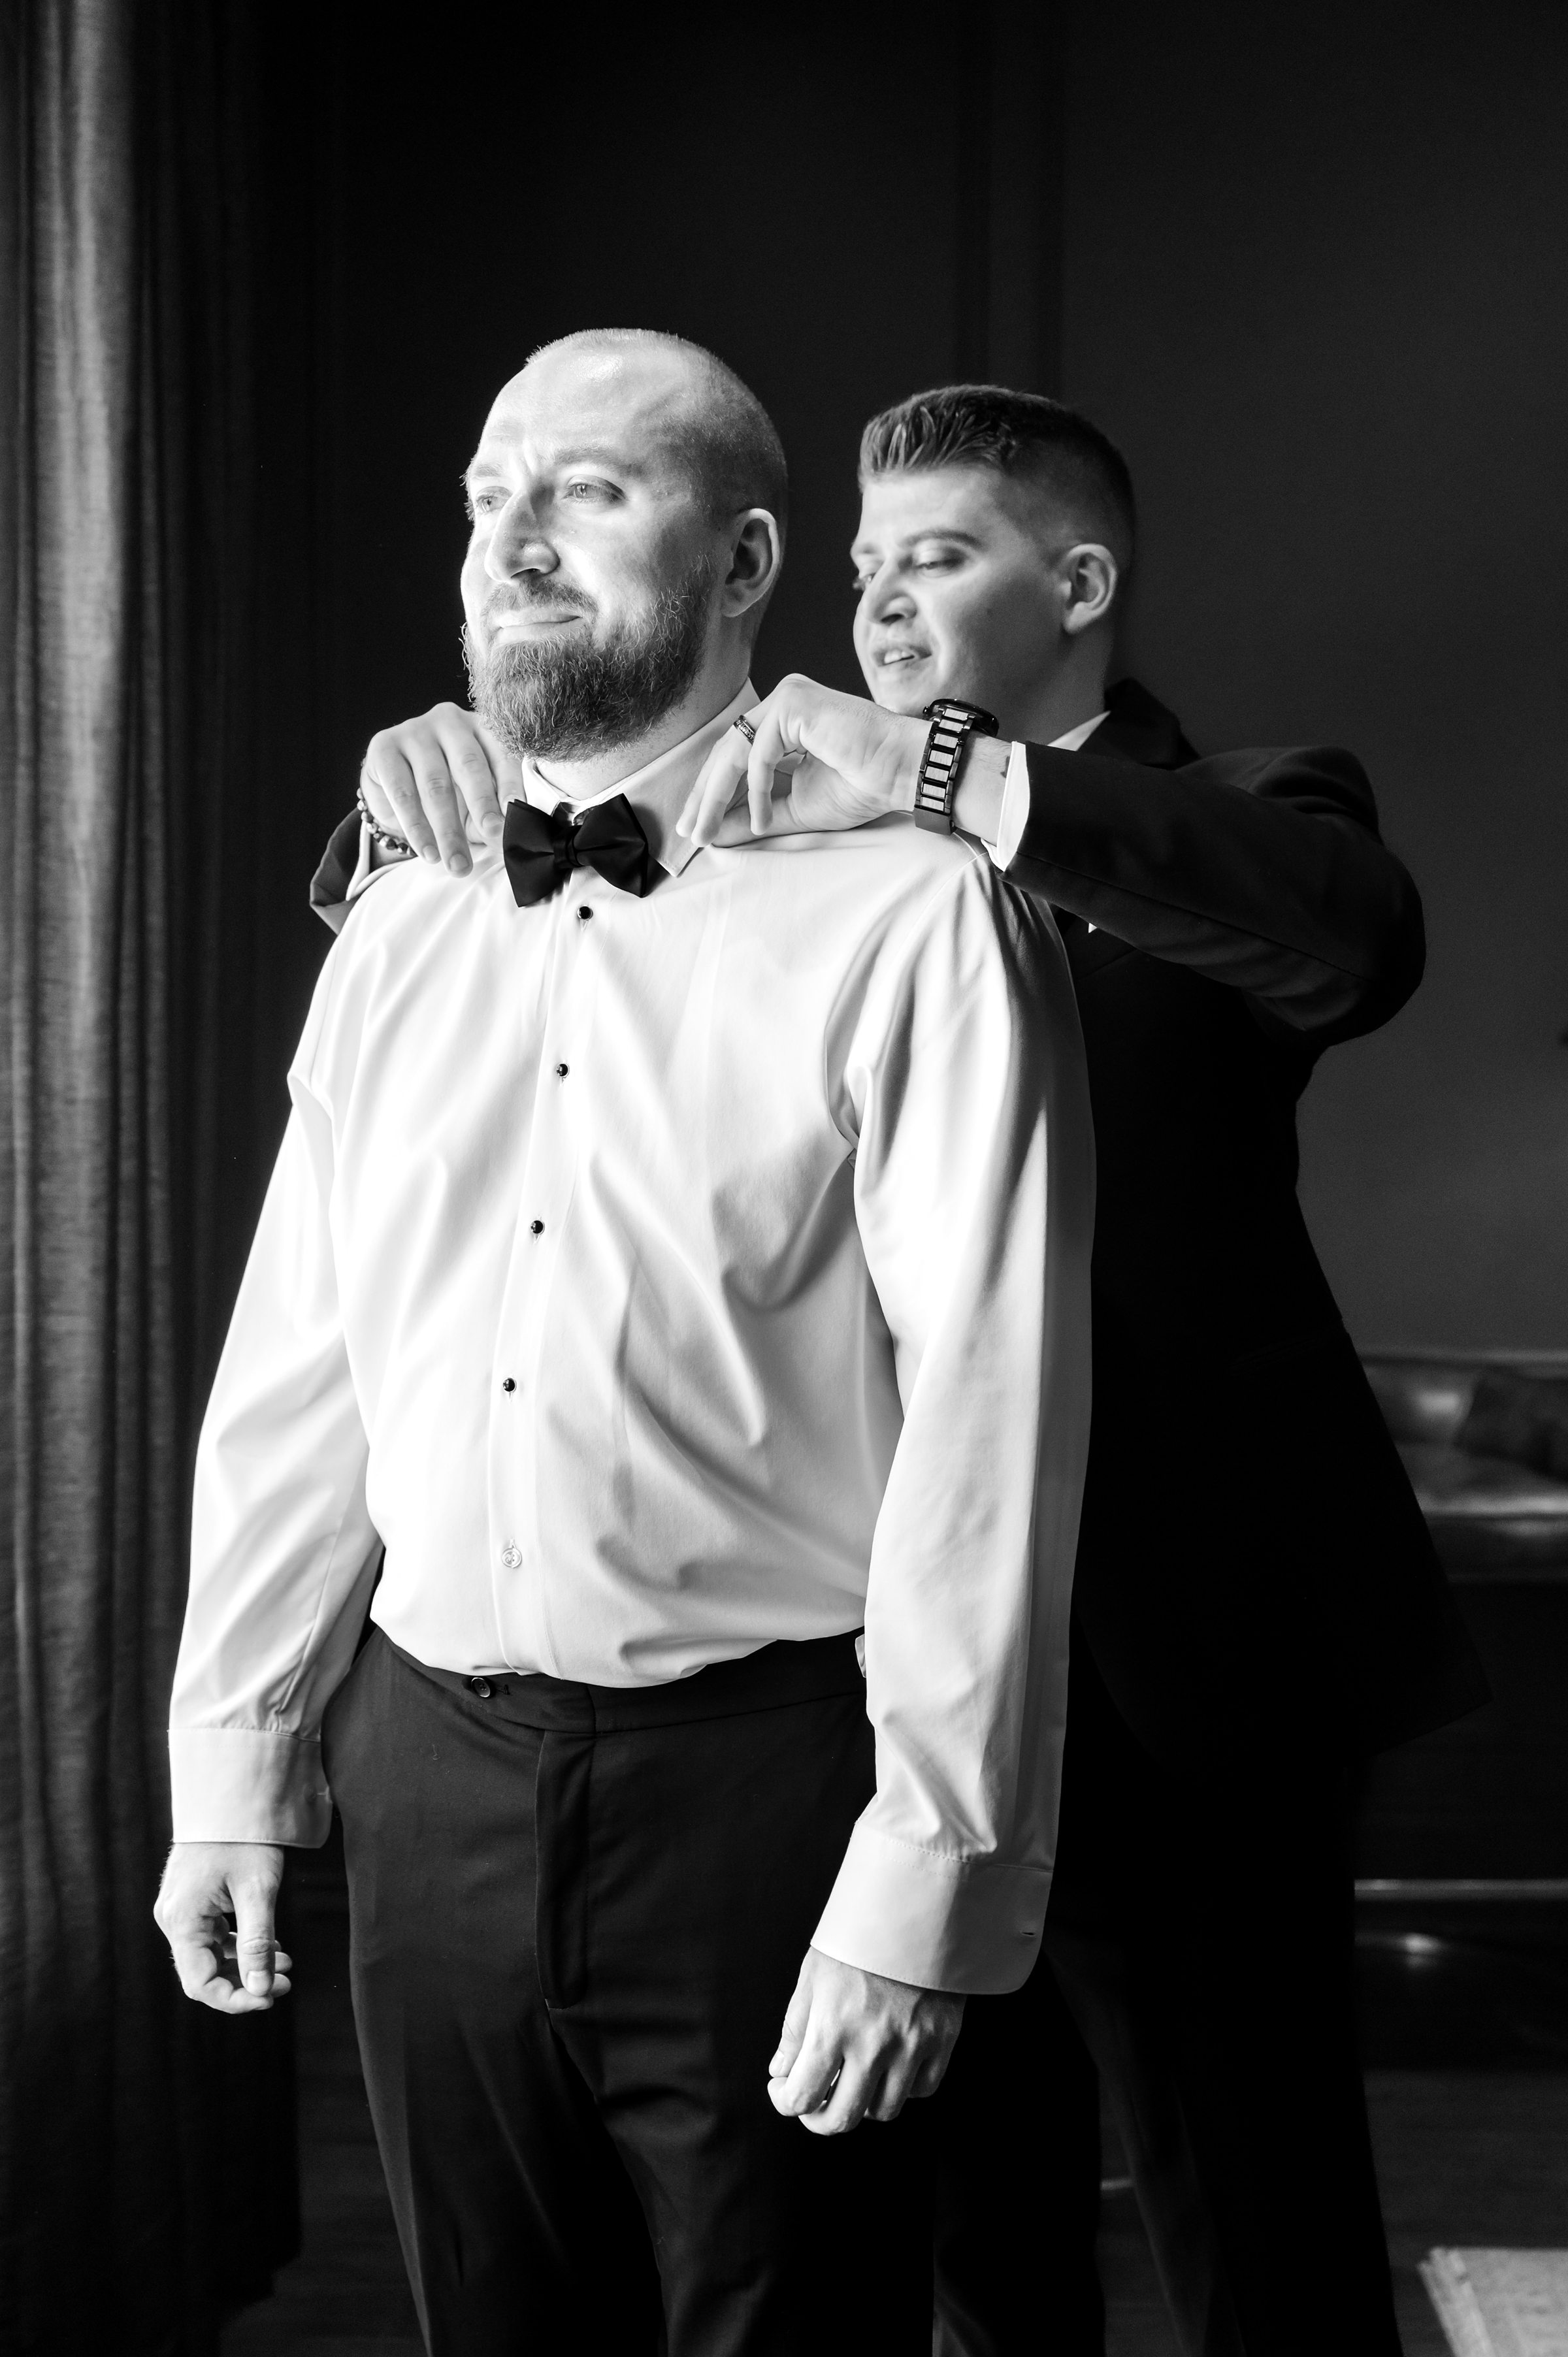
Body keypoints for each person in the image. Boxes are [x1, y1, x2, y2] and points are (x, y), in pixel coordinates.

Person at [354, 382, 1487, 2357]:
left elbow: (1350, 949)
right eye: (865, 569)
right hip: (864, 1698)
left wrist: (953, 775)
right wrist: (444, 777)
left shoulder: (1254, 810)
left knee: (1259, 2229)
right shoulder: (797, 832)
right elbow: (566, 896)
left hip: (1173, 1673)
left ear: (1081, 583)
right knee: (962, 2245)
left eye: (938, 561)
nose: (878, 610)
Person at [153, 336, 1095, 2357]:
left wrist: (921, 1880)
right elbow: (300, 1370)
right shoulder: (399, 924)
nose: (513, 533)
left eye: (587, 490)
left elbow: (991, 1428)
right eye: (492, 491)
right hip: (425, 1781)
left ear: (748, 556)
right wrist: (230, 1755)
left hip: (766, 1789)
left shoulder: (916, 920)